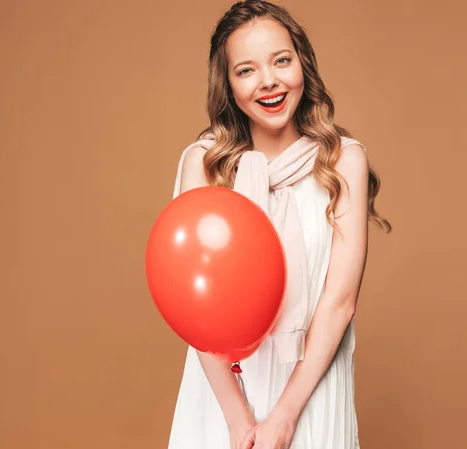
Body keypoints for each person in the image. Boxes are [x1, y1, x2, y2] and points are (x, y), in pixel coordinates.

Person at [167, 1, 392, 448]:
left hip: (311, 391)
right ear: (228, 85)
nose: (268, 81)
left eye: (281, 61)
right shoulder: (206, 164)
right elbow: (194, 306)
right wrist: (237, 419)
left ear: (302, 64)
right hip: (223, 395)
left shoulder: (344, 159)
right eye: (246, 70)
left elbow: (340, 303)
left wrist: (285, 417)